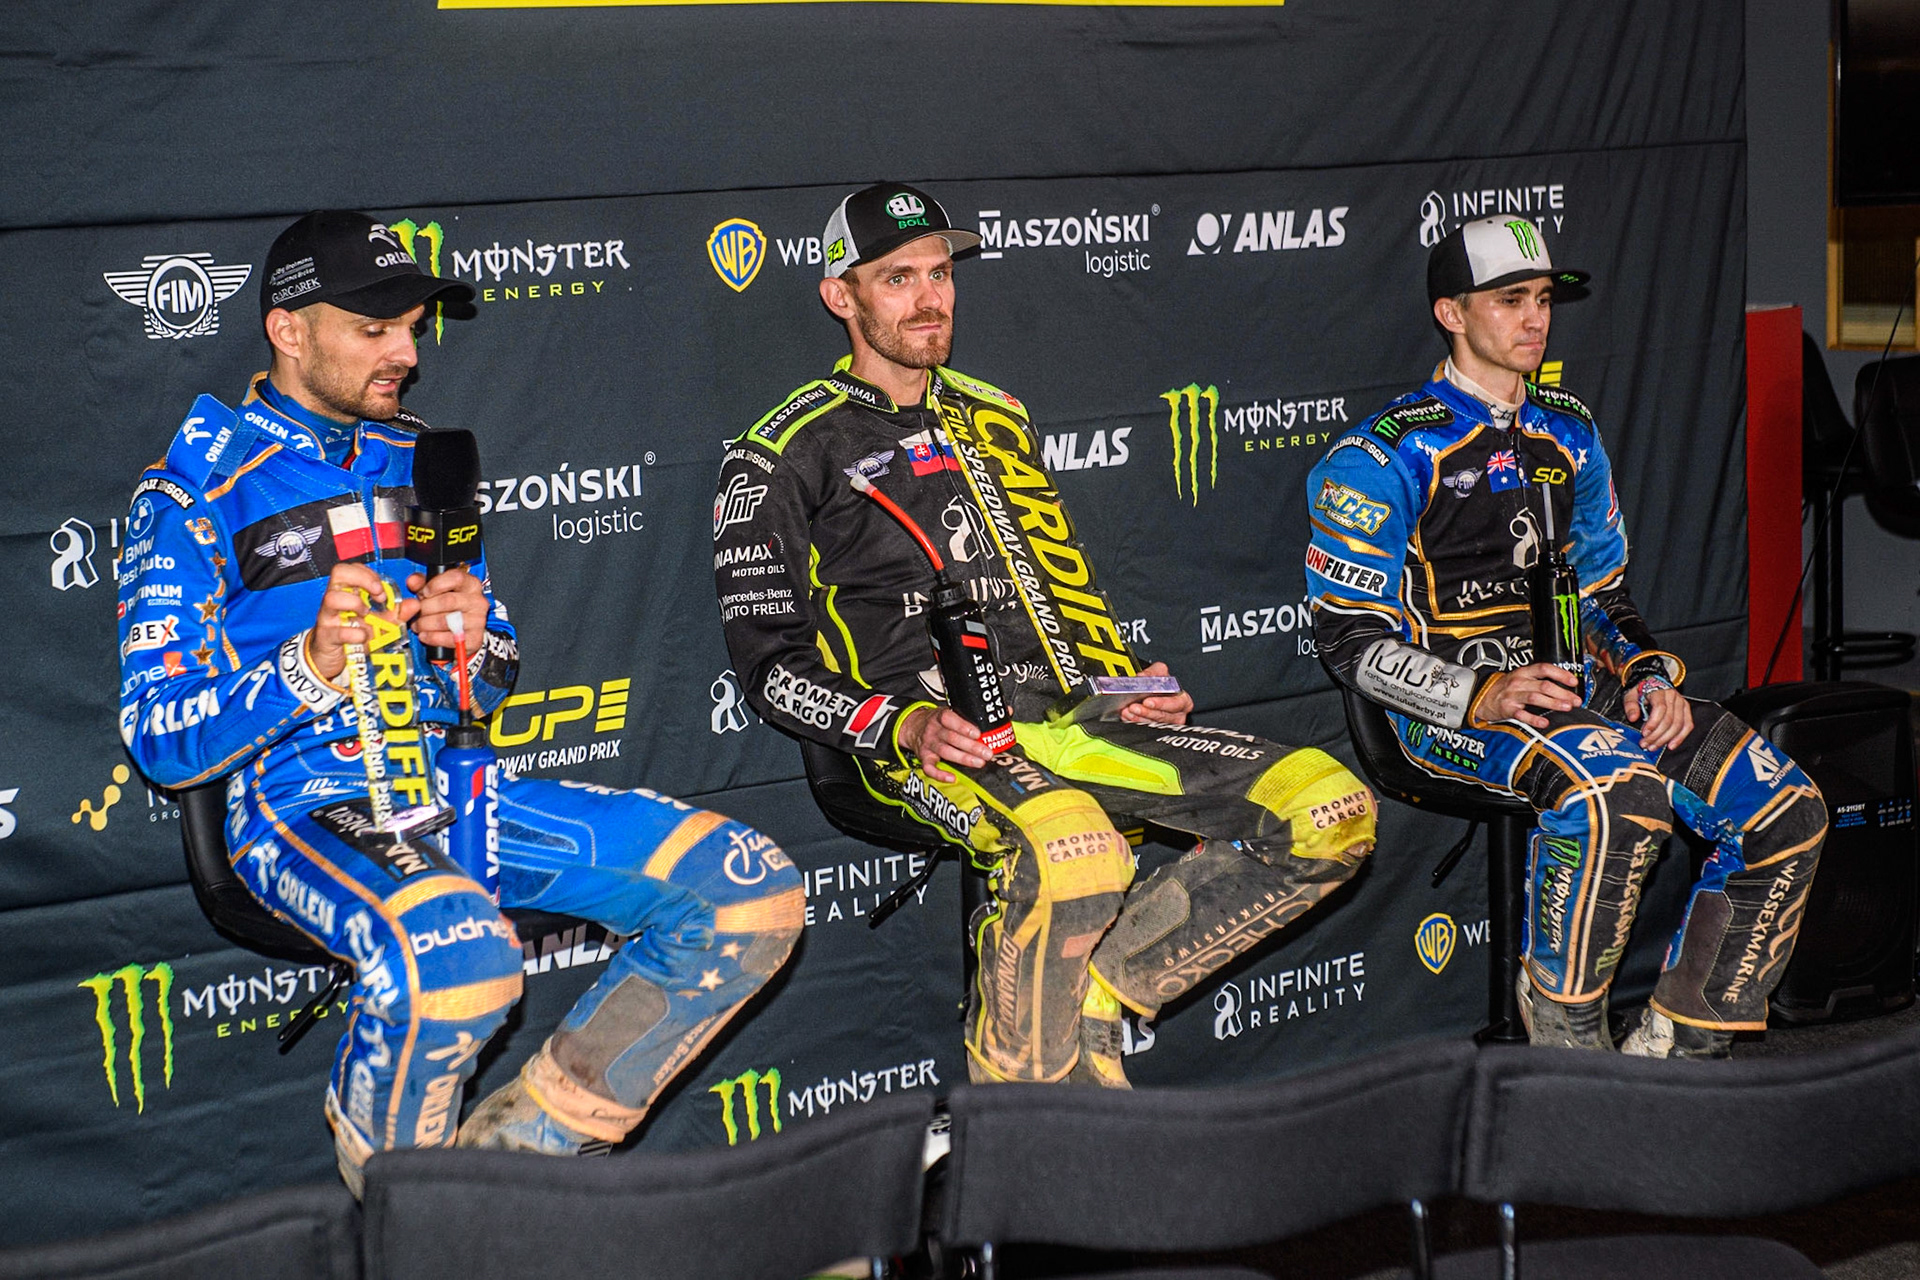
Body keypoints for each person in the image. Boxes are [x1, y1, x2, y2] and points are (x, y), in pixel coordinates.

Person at [117, 210, 802, 1193]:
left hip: (451, 781)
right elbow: (159, 739)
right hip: (303, 800)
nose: (409, 351)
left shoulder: (423, 462)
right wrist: (309, 662)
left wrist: (473, 641)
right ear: (288, 326)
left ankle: (498, 1176)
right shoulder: (197, 487)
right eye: (376, 328)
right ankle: (418, 1225)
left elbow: (493, 670)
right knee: (459, 960)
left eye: (415, 325)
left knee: (749, 891)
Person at [716, 182, 1376, 1089]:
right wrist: (896, 725)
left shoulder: (996, 414)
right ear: (842, 296)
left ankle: (1098, 996)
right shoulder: (786, 446)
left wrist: (1120, 685)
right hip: (914, 738)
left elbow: (1057, 588)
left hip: (1066, 714)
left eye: (940, 273)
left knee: (1328, 810)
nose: (929, 297)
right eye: (898, 277)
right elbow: (768, 668)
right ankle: (1024, 1116)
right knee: (1075, 848)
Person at [1306, 216, 1826, 1058]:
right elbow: (1346, 641)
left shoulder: (1570, 432)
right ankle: (1565, 1041)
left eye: (1544, 299)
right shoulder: (1380, 456)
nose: (1535, 318)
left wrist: (1643, 674)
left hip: (1577, 696)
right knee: (1616, 795)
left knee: (1786, 809)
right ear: (1450, 313)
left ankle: (1677, 1045)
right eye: (1510, 300)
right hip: (1443, 713)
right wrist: (1477, 694)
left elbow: (1602, 592)